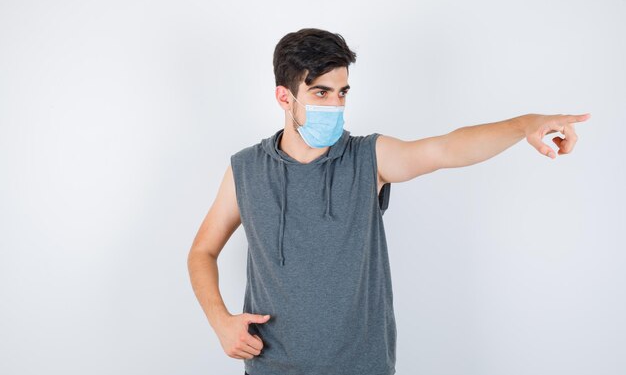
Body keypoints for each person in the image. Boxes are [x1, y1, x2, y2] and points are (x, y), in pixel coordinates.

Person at [187, 28, 590, 375]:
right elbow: (202, 251)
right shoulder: (246, 169)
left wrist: (525, 125)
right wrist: (220, 321)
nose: (335, 106)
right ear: (284, 96)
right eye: (320, 93)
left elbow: (446, 149)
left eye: (342, 93)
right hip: (272, 367)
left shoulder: (368, 158)